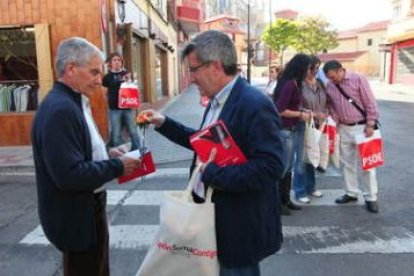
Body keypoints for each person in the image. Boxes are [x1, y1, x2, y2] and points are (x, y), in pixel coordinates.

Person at [140, 30, 284, 276]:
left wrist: (213, 174)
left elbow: (272, 167)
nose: (192, 78)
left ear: (215, 66)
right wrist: (163, 122)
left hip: (239, 229)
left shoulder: (254, 104)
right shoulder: (218, 101)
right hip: (215, 223)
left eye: (194, 70)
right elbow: (203, 144)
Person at [31, 37, 142, 276]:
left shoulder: (72, 101)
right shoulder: (61, 109)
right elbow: (70, 175)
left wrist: (105, 152)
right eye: (93, 72)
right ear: (71, 68)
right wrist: (117, 166)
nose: (98, 80)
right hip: (77, 219)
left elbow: (79, 149)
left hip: (84, 213)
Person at [323, 59, 380, 213]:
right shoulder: (330, 85)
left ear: (341, 70)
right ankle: (351, 192)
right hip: (344, 128)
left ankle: (371, 197)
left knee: (368, 165)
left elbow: (370, 102)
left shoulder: (358, 79)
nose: (332, 80)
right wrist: (333, 120)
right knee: (347, 164)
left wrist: (370, 124)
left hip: (363, 128)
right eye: (329, 78)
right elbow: (332, 106)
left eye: (334, 77)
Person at [273, 53, 312, 215]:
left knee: (288, 168)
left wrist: (301, 111)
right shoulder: (289, 84)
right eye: (309, 68)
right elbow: (280, 110)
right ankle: (277, 204)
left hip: (291, 131)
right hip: (285, 131)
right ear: (301, 67)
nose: (310, 71)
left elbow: (290, 106)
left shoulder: (294, 83)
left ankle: (285, 200)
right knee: (283, 168)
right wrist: (299, 115)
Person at [292, 55, 328, 204]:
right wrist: (313, 114)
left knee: (313, 156)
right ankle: (299, 190)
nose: (314, 71)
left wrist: (325, 113)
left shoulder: (319, 83)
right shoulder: (297, 84)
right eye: (311, 68)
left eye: (317, 67)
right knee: (300, 158)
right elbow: (295, 106)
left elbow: (327, 101)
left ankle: (311, 187)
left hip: (319, 124)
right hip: (303, 124)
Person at [102, 52, 142, 151]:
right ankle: (120, 155)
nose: (116, 62)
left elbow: (133, 89)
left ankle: (138, 152)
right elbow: (104, 93)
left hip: (128, 107)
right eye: (114, 60)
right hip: (114, 108)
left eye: (119, 60)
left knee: (133, 130)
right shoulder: (107, 77)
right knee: (116, 133)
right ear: (110, 63)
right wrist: (108, 105)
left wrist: (128, 78)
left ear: (122, 62)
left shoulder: (126, 73)